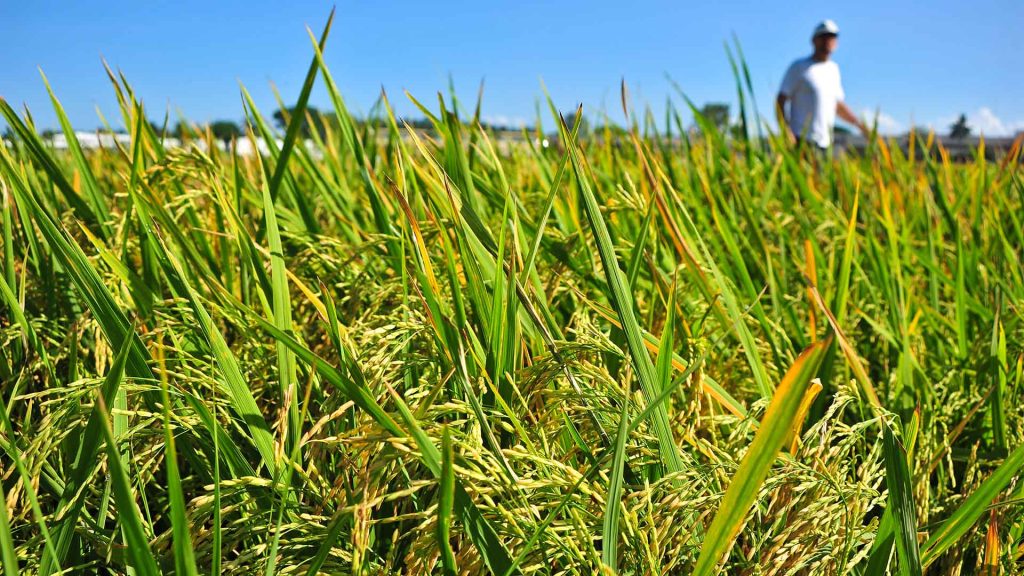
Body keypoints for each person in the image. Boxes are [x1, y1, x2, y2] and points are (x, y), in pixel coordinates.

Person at [776, 20, 868, 153]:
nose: (827, 40)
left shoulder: (834, 70)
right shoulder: (799, 67)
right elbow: (781, 99)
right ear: (814, 40)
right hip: (801, 141)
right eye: (823, 36)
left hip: (826, 144)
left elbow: (837, 105)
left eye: (832, 37)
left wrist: (860, 126)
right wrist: (785, 131)